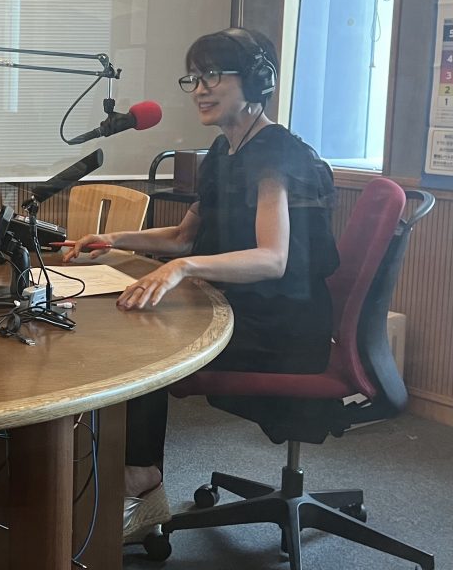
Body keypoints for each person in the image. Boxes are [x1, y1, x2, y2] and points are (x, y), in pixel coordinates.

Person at [65, 28, 339, 544]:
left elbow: (273, 258)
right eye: (194, 77)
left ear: (256, 81)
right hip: (243, 308)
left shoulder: (276, 155)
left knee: (147, 347)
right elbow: (183, 236)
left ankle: (140, 482)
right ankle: (122, 477)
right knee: (134, 328)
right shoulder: (224, 151)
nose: (200, 88)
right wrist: (114, 238)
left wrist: (184, 269)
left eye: (213, 74)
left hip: (281, 328)